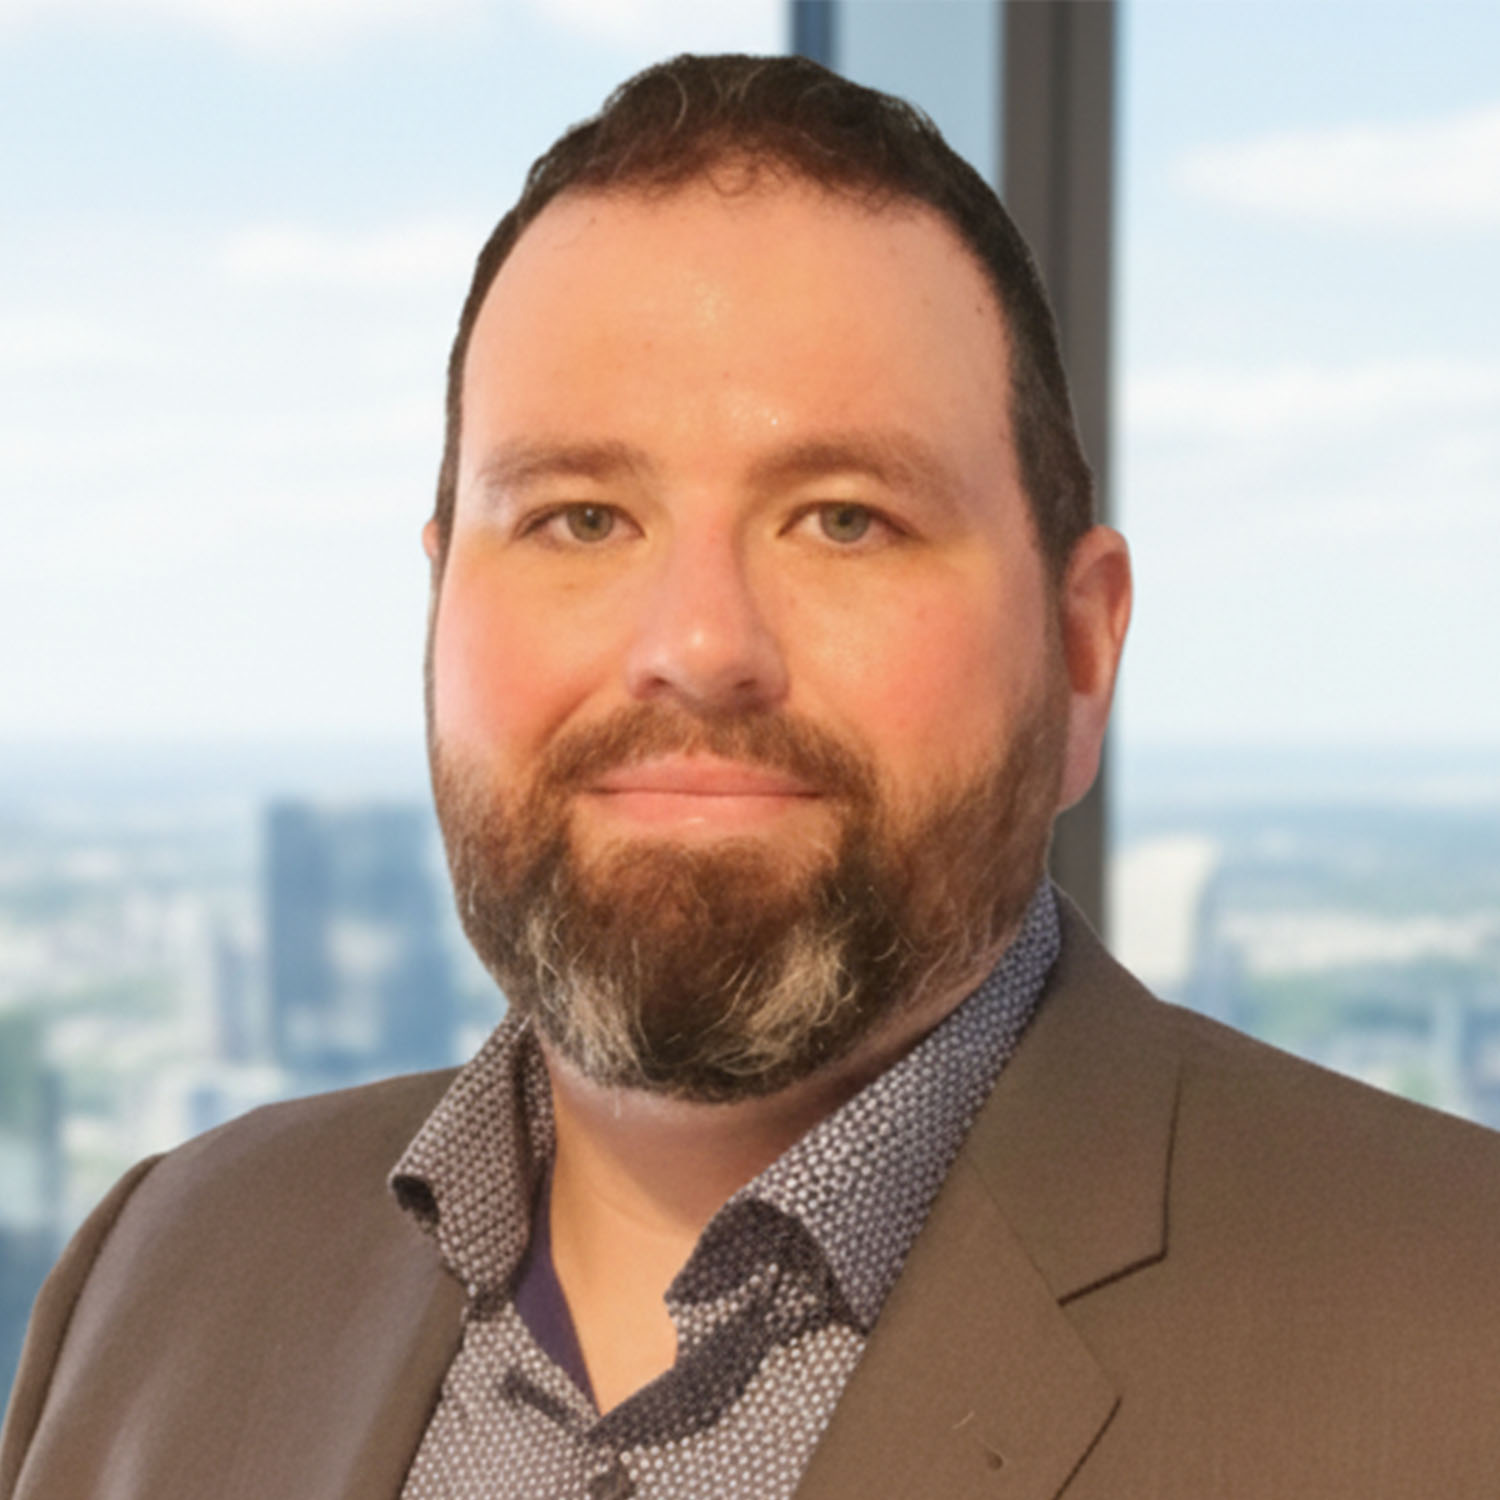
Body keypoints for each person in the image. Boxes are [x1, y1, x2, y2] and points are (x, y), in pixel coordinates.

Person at [4, 52, 1500, 1500]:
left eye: (844, 519)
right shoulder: (163, 1271)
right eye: (581, 519)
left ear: (1081, 650)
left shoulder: (1457, 1339)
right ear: (441, 600)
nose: (701, 646)